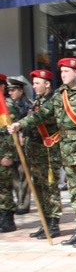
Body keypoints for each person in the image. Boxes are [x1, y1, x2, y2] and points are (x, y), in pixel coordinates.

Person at [9, 58, 76, 247]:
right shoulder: (61, 93)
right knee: (74, 192)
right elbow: (43, 113)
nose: (63, 75)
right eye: (62, 72)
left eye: (67, 71)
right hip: (66, 149)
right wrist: (21, 124)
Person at [24, 69, 63, 239]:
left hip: (48, 151)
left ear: (47, 84)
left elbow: (38, 118)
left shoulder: (53, 101)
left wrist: (19, 124)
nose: (34, 86)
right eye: (33, 83)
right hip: (35, 151)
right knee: (39, 186)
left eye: (37, 83)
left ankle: (53, 223)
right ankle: (45, 222)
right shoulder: (37, 101)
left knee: (50, 187)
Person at [7, 78, 32, 215]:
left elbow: (30, 123)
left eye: (13, 90)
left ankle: (24, 204)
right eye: (9, 90)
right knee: (14, 176)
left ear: (20, 91)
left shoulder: (28, 105)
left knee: (23, 174)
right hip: (10, 145)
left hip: (23, 144)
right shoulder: (7, 105)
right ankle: (18, 201)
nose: (11, 93)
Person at [0, 74, 20, 233]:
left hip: (3, 152)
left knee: (4, 187)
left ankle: (7, 219)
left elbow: (10, 134)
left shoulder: (7, 105)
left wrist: (8, 155)